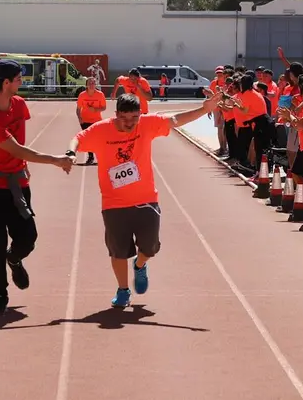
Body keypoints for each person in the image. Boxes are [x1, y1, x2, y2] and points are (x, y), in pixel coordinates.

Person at [67, 89, 219, 309]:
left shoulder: (147, 125)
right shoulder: (102, 130)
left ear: (140, 114)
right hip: (114, 202)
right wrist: (71, 154)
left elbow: (175, 120)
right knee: (118, 251)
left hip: (146, 198)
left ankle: (139, 265)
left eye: (134, 118)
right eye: (124, 118)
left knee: (150, 247)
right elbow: (78, 139)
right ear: (116, 114)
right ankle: (123, 290)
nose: (129, 123)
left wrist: (204, 109)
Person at [0, 60, 73, 316]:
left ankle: (14, 259)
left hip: (17, 185)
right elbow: (17, 148)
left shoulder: (19, 104)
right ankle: (0, 293)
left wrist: (22, 164)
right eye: (18, 79)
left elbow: (20, 148)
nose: (22, 83)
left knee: (28, 237)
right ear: (5, 83)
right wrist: (56, 160)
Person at [75, 76, 107, 165]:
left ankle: (101, 156)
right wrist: (80, 118)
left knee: (98, 139)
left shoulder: (100, 94)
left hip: (97, 121)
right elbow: (78, 109)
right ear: (86, 85)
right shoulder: (82, 95)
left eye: (93, 83)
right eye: (90, 83)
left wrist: (96, 110)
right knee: (88, 140)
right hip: (85, 121)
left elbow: (104, 107)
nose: (92, 85)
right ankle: (91, 157)